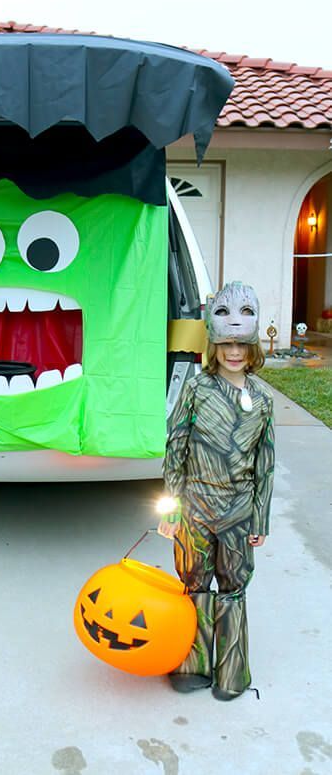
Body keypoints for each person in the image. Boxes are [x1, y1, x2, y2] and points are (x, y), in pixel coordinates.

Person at [158, 281, 274, 700]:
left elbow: (265, 461)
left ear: (252, 346)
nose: (233, 352)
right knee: (194, 582)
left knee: (233, 586)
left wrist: (260, 516)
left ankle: (231, 670)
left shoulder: (262, 398)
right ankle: (192, 660)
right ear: (213, 343)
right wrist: (171, 508)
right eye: (225, 344)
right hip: (196, 508)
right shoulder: (195, 389)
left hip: (240, 511)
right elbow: (176, 447)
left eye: (241, 345)